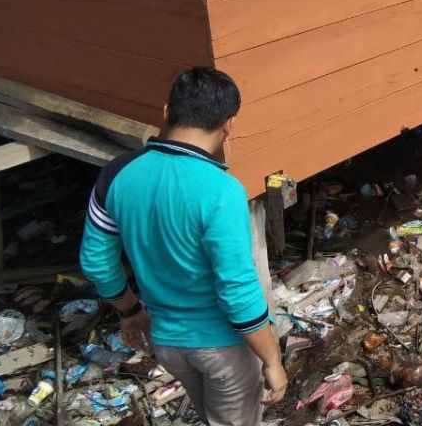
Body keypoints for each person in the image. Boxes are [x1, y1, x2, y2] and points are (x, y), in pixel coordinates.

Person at [81, 68, 286, 426]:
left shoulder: (117, 175)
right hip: (222, 349)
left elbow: (97, 261)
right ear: (228, 125)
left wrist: (130, 311)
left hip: (167, 344)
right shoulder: (221, 191)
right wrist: (272, 361)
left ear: (165, 112)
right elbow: (237, 292)